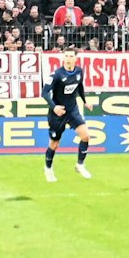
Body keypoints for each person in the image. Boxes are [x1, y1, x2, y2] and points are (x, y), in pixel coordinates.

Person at [44, 48, 93, 181]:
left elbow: (79, 86)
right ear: (63, 58)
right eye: (66, 56)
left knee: (85, 136)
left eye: (71, 56)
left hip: (72, 110)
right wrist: (54, 108)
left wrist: (85, 101)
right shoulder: (56, 75)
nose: (68, 58)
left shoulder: (79, 72)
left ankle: (80, 165)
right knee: (54, 144)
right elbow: (44, 92)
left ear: (75, 58)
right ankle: (48, 168)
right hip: (57, 113)